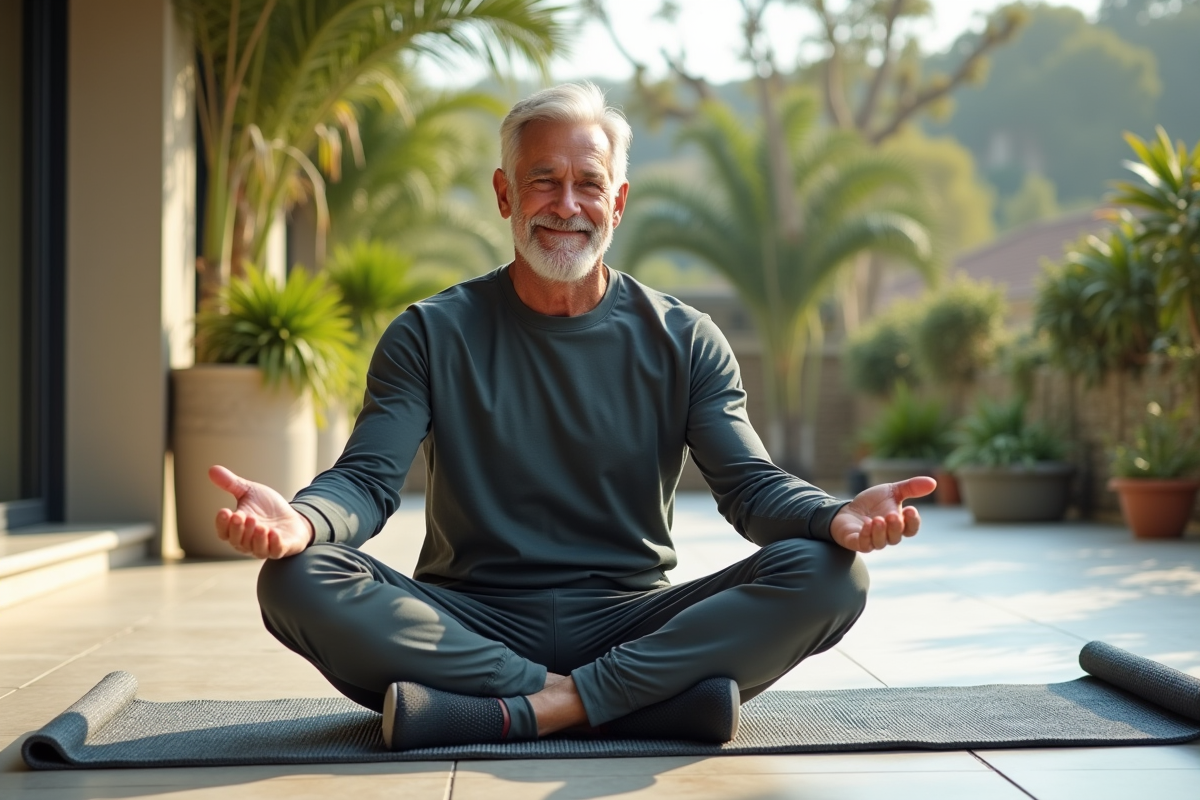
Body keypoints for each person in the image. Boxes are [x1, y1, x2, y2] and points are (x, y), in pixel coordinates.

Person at [209, 82, 935, 751]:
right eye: (543, 181)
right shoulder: (429, 334)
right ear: (504, 194)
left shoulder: (685, 339)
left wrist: (833, 516)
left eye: (589, 184)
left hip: (632, 621)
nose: (567, 204)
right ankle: (636, 706)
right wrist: (301, 522)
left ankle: (518, 712)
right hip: (466, 620)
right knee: (295, 579)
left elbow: (750, 488)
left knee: (831, 575)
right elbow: (368, 482)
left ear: (618, 202)